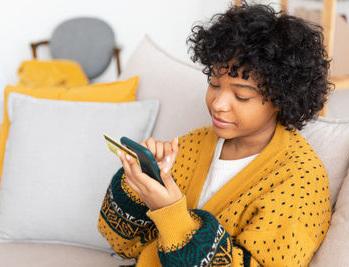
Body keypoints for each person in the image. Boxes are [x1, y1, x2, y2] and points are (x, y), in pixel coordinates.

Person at [98, 1, 333, 266]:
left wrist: (170, 212)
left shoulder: (300, 181)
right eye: (214, 84)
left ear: (282, 98)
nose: (218, 104)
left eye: (241, 96)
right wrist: (137, 186)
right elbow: (122, 244)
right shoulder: (192, 145)